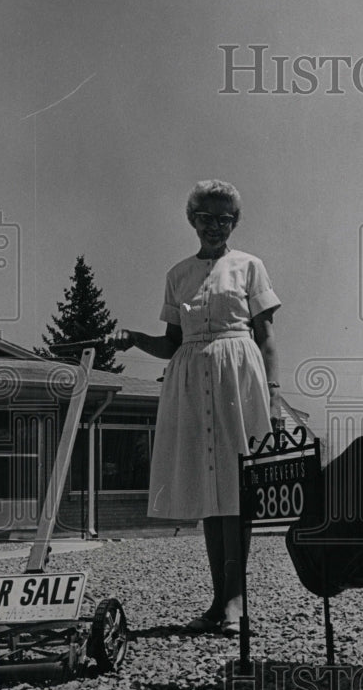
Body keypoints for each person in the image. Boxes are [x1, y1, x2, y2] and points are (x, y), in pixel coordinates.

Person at [113, 179, 281, 636]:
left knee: (236, 487)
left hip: (237, 376)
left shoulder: (250, 266)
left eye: (224, 218)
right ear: (192, 220)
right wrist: (132, 339)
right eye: (205, 217)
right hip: (190, 379)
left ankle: (236, 600)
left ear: (234, 223)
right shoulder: (178, 273)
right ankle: (217, 600)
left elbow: (265, 338)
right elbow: (170, 344)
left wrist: (274, 394)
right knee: (211, 492)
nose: (214, 226)